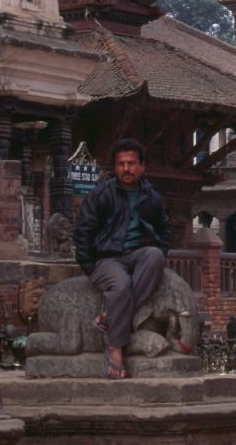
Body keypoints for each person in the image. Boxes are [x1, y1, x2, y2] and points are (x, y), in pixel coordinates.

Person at [71, 138, 171, 380]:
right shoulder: (101, 195)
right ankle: (115, 347)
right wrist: (89, 266)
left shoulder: (152, 197)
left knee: (155, 255)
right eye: (121, 164)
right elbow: (83, 232)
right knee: (121, 285)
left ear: (142, 166)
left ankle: (110, 315)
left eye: (132, 163)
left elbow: (164, 230)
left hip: (138, 254)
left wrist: (160, 247)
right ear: (115, 168)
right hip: (107, 258)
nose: (127, 169)